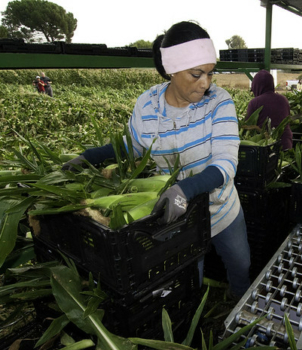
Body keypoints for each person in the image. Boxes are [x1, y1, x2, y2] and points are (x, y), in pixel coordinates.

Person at [62, 21, 251, 300]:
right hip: (176, 217)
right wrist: (87, 158)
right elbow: (134, 146)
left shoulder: (219, 102)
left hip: (220, 208)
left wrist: (185, 190)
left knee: (240, 264)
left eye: (211, 74)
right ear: (170, 70)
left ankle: (239, 303)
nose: (206, 83)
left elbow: (226, 163)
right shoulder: (148, 105)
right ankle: (195, 326)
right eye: (196, 74)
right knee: (189, 275)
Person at [245, 69, 293, 150]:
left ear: (256, 87)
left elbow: (247, 126)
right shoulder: (284, 100)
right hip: (286, 143)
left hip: (267, 148)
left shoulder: (255, 102)